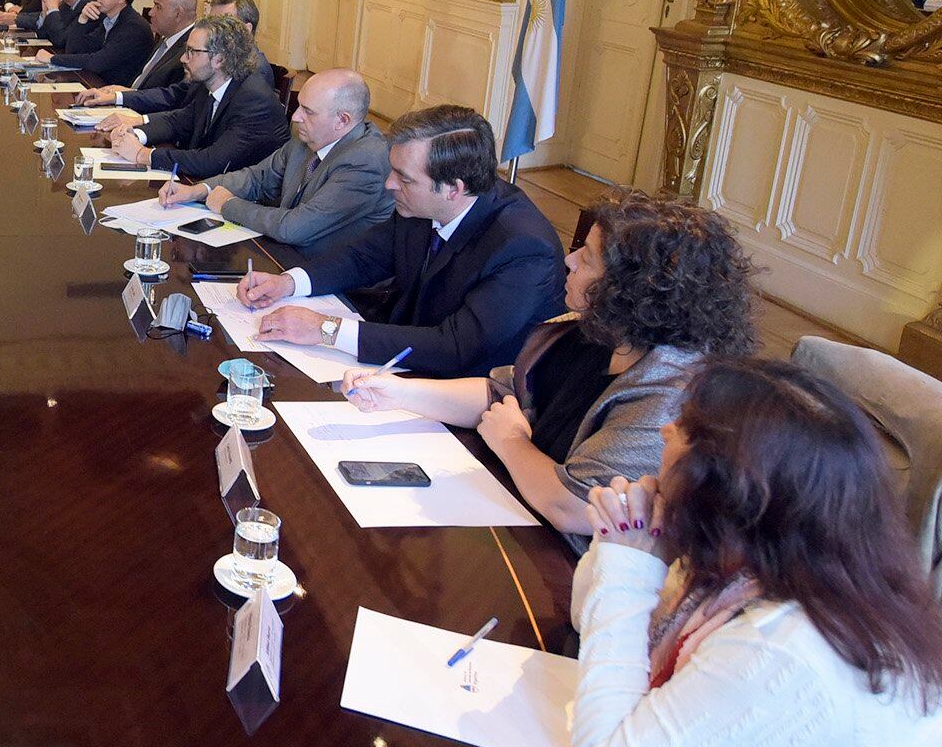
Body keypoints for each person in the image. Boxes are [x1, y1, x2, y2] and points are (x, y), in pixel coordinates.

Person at [567, 358, 942, 747]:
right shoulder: (771, 567)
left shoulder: (788, 644)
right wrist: (631, 549)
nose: (666, 432)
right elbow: (589, 621)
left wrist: (626, 558)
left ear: (733, 489)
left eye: (686, 428)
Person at [341, 189, 756, 537]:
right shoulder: (587, 328)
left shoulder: (671, 390)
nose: (570, 260)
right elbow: (502, 393)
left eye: (588, 258)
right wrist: (398, 392)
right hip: (513, 507)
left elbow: (574, 506)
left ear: (634, 288)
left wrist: (512, 444)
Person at [237, 104, 564, 374]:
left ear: (454, 188)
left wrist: (327, 329)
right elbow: (363, 257)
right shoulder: (419, 205)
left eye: (404, 178)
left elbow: (455, 347)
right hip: (396, 361)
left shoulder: (524, 248)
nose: (389, 184)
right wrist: (288, 283)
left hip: (463, 394)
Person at [158, 69, 392, 255]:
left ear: (342, 120)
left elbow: (295, 228)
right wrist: (198, 191)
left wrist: (227, 204)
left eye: (308, 111)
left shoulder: (364, 163)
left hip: (323, 272)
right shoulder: (309, 137)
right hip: (284, 251)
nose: (296, 116)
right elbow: (257, 177)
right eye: (299, 105)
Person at [103, 16, 283, 177]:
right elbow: (179, 121)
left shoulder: (254, 100)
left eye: (192, 52)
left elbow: (212, 161)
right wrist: (135, 134)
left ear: (219, 60)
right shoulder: (207, 83)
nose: (183, 58)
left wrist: (143, 154)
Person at [79, 0, 282, 119]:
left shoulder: (255, 73)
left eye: (223, 22)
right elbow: (179, 95)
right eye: (211, 21)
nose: (213, 29)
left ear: (246, 29)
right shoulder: (214, 61)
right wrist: (120, 97)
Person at [31, 0, 150, 84]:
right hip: (97, 84)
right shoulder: (108, 19)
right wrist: (82, 19)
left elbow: (98, 62)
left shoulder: (133, 27)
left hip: (117, 93)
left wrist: (52, 58)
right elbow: (74, 51)